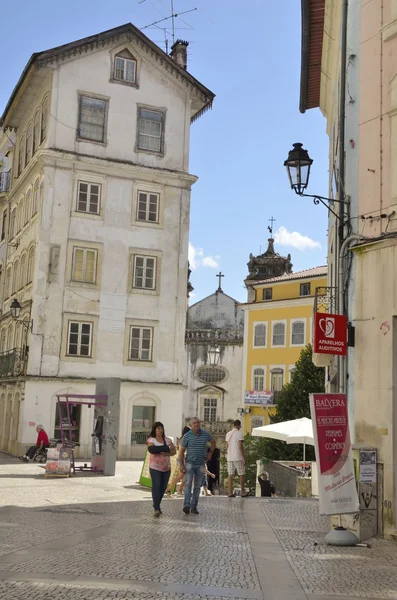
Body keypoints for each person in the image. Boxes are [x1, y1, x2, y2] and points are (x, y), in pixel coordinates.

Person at [179, 417, 216, 515]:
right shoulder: (187, 436)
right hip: (190, 463)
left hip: (200, 463)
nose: (197, 424)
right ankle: (186, 504)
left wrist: (210, 453)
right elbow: (181, 451)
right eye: (194, 423)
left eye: (198, 423)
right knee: (188, 484)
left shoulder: (205, 434)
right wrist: (181, 465)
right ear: (191, 425)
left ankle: (194, 507)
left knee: (197, 487)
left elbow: (213, 442)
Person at [147, 422, 176, 517]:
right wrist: (164, 448)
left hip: (166, 467)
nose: (160, 430)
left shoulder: (167, 440)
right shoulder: (151, 440)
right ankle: (156, 508)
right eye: (158, 428)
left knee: (163, 487)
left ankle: (157, 504)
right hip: (155, 467)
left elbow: (173, 450)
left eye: (161, 428)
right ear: (154, 430)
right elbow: (152, 450)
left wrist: (167, 452)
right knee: (157, 485)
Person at [165, 425, 190, 496]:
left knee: (185, 475)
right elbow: (181, 451)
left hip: (184, 458)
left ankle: (179, 490)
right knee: (181, 475)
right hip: (183, 458)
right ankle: (169, 489)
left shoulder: (183, 439)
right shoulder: (183, 439)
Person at [225, 419, 248, 497]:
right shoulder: (239, 433)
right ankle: (242, 491)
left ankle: (230, 492)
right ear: (239, 425)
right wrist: (243, 457)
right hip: (238, 456)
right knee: (241, 473)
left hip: (230, 457)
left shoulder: (228, 434)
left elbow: (227, 446)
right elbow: (240, 446)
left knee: (230, 474)